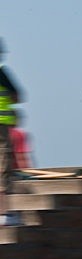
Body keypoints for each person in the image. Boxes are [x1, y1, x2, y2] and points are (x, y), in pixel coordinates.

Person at [0, 38, 22, 225]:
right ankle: (5, 213)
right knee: (3, 168)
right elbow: (17, 95)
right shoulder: (1, 74)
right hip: (1, 125)